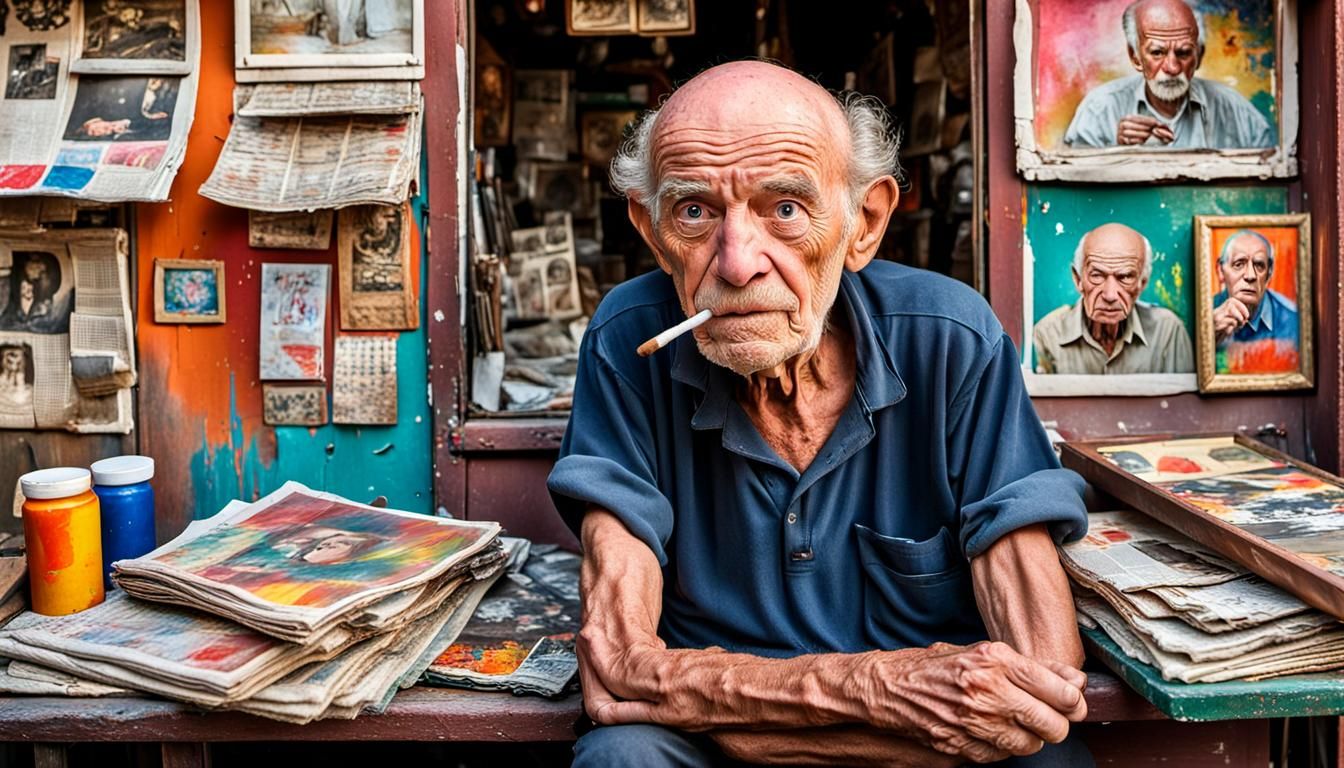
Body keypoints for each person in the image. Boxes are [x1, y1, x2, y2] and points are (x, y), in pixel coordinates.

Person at [548, 61, 1093, 767]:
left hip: (784, 724)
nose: (737, 263)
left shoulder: (949, 337)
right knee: (623, 756)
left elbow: (1042, 681)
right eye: (694, 211)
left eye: (784, 210)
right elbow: (621, 671)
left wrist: (722, 702)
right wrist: (874, 689)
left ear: (863, 222)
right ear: (653, 232)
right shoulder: (630, 341)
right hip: (788, 742)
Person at [1062, 0, 1274, 149]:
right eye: (1157, 53)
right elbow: (1077, 197)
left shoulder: (1234, 110)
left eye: (1183, 53)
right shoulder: (1100, 109)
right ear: (1135, 56)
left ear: (1199, 56)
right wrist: (1115, 151)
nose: (1172, 67)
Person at [1033, 223, 1193, 375]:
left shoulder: (1167, 331)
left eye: (1124, 277)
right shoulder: (1047, 335)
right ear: (1078, 280)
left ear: (1142, 283)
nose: (1110, 295)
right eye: (1096, 276)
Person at [1211, 229, 1299, 370]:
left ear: (1269, 274)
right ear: (1221, 271)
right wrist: (1207, 336)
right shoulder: (1204, 315)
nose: (1250, 275)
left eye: (1259, 265)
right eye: (1239, 264)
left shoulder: (1293, 321)